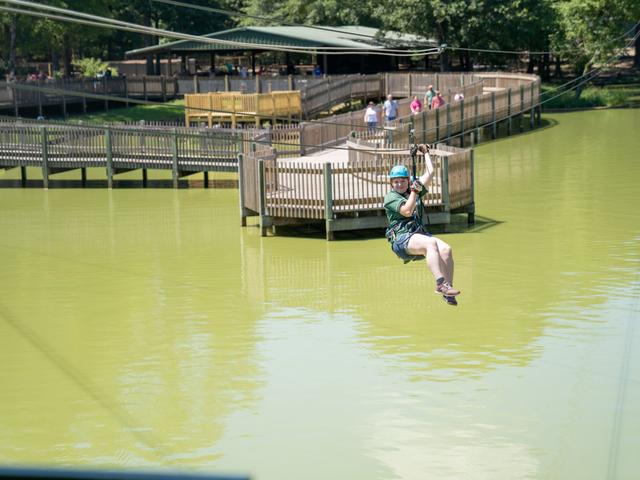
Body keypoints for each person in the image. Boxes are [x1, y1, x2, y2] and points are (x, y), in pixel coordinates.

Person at [383, 145, 460, 305]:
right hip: (402, 239)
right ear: (391, 183)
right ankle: (440, 284)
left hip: (417, 235)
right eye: (395, 182)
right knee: (431, 243)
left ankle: (448, 290)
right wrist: (414, 191)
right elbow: (406, 211)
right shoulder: (391, 197)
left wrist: (425, 153)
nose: (399, 184)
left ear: (407, 180)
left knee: (446, 249)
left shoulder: (412, 188)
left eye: (402, 181)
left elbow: (430, 172)